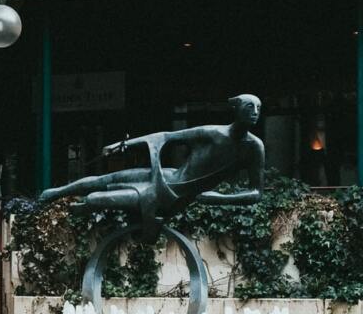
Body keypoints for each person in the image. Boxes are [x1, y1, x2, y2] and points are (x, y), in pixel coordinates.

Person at [39, 94, 265, 237]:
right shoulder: (212, 133)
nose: (254, 113)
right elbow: (164, 136)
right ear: (236, 110)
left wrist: (219, 199)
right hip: (167, 175)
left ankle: (78, 209)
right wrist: (122, 144)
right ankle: (57, 192)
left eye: (258, 108)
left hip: (171, 195)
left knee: (95, 199)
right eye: (249, 107)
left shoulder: (254, 148)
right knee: (106, 180)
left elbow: (256, 193)